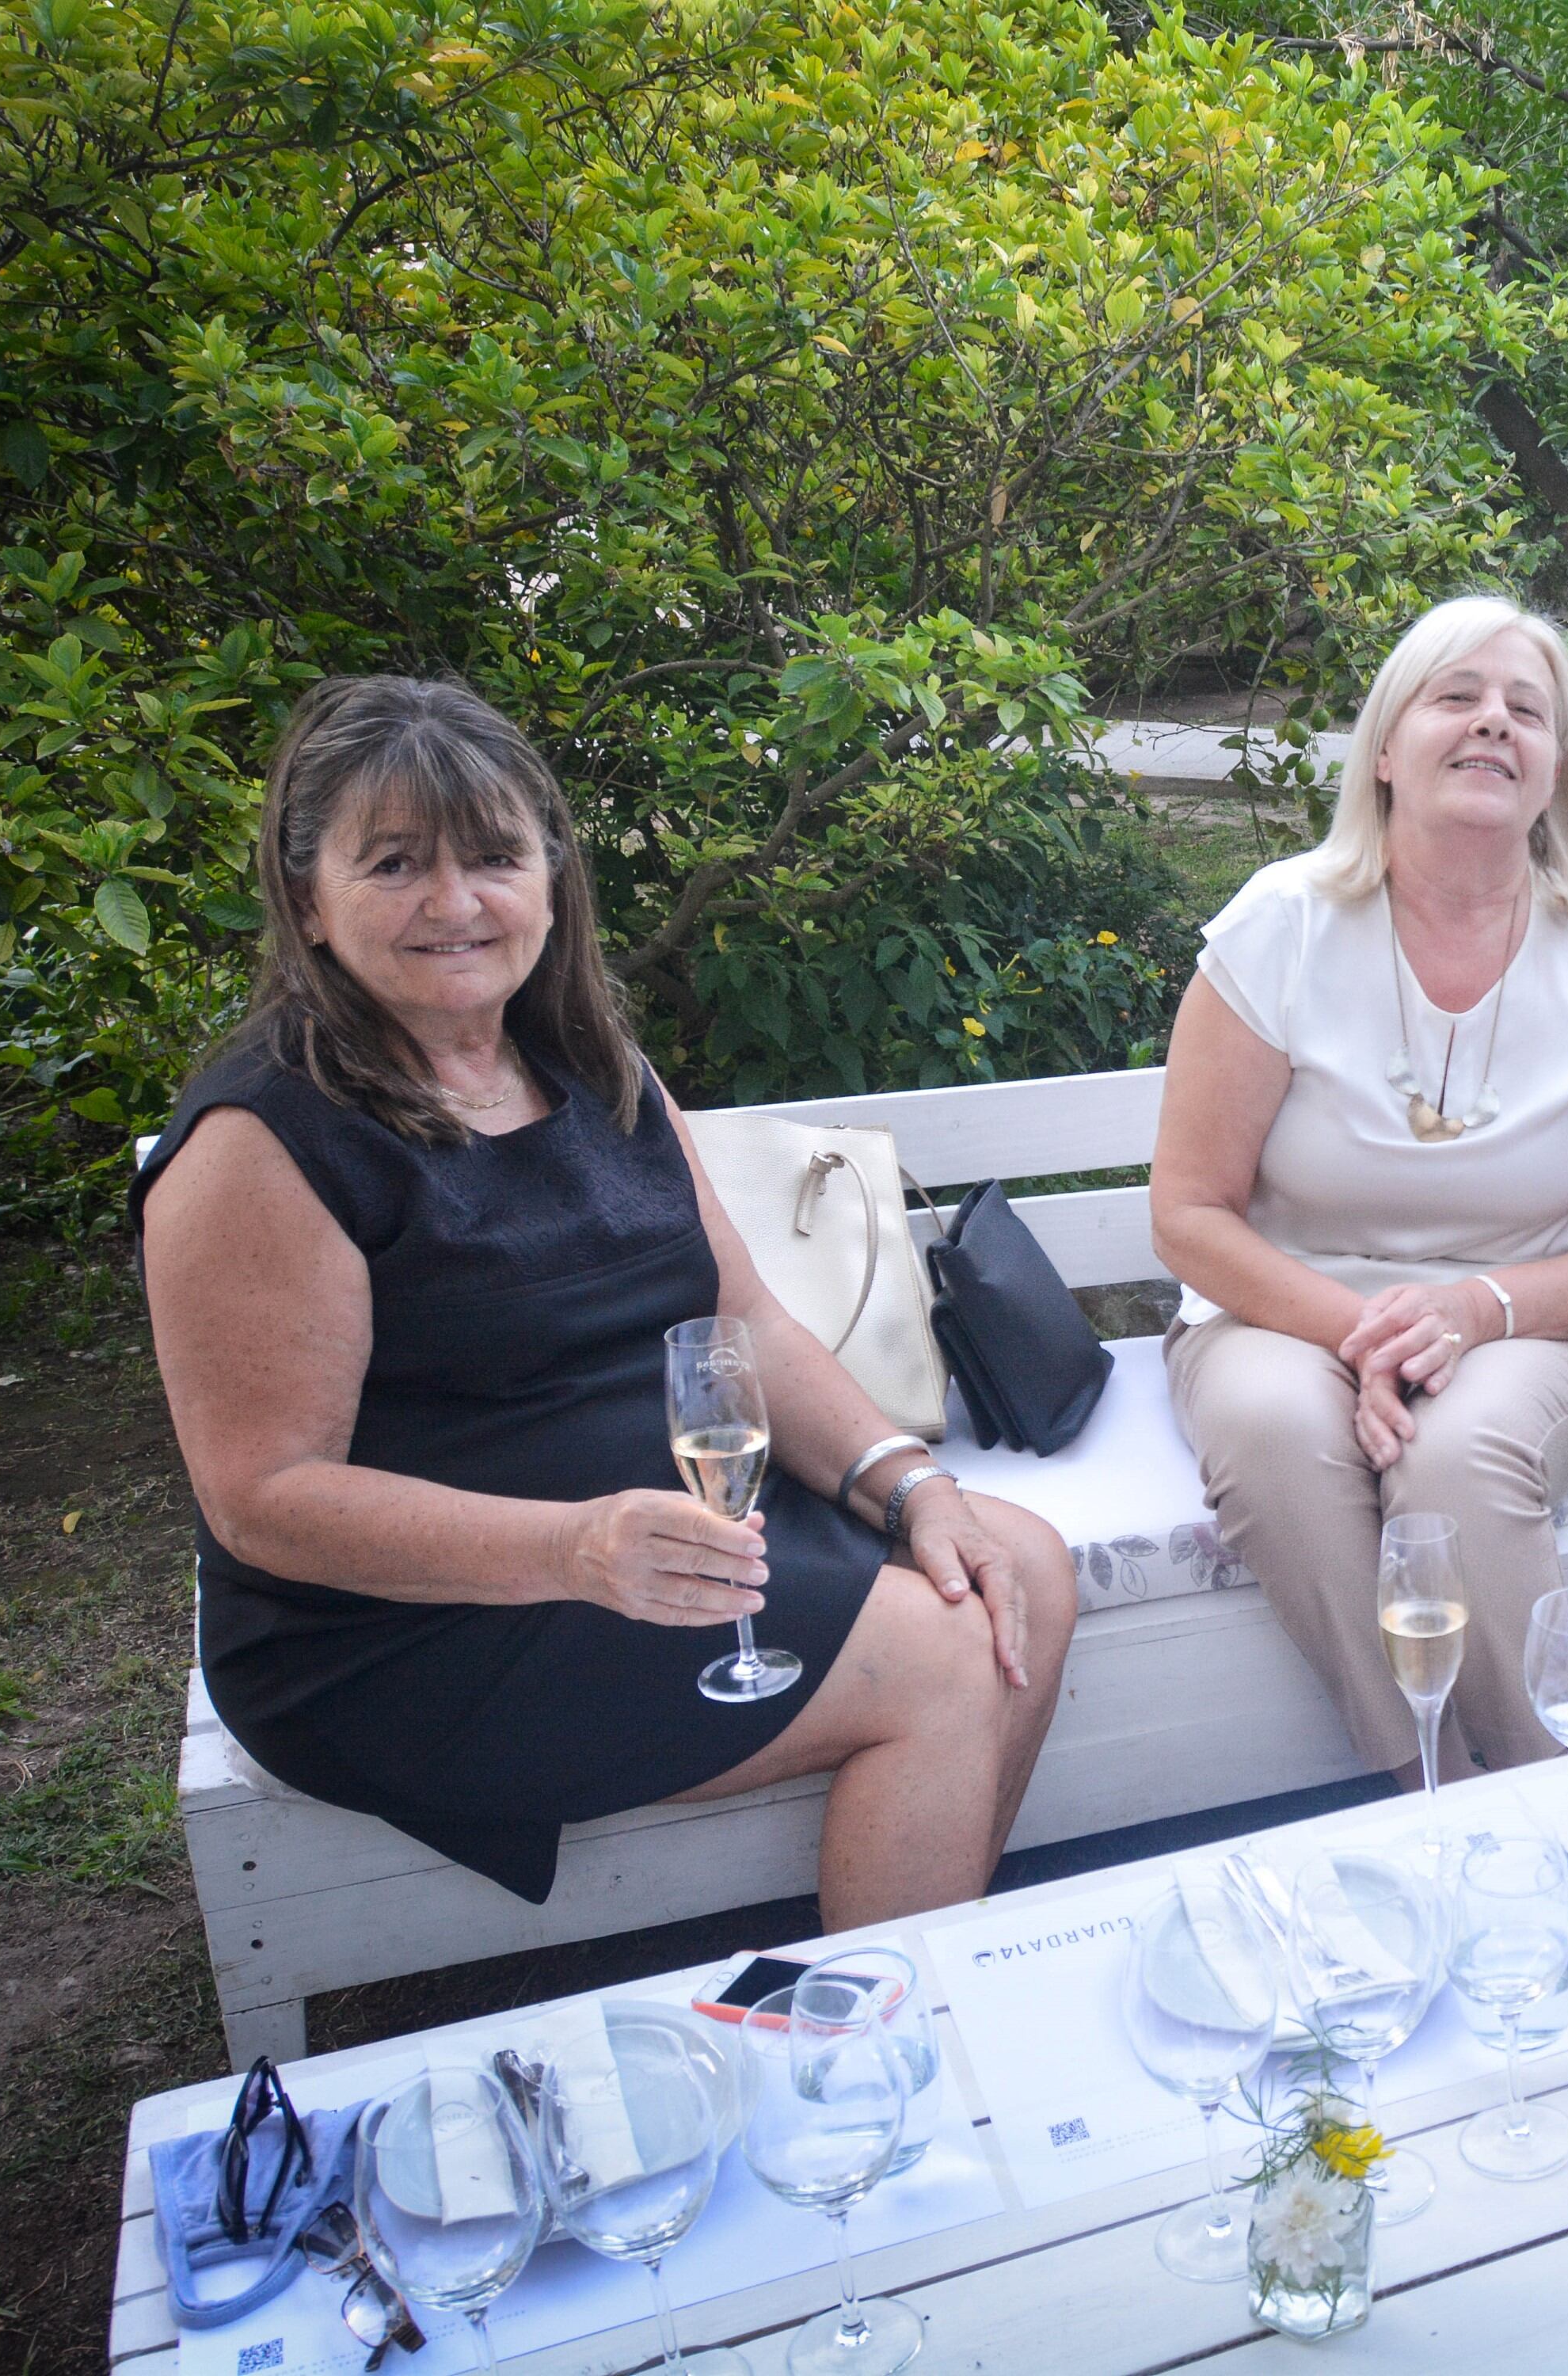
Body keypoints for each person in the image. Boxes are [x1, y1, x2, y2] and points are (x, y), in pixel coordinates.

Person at [137, 676, 1076, 1925]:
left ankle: (924, 1939)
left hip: (668, 1541)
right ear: (309, 900)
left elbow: (746, 1324)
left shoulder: (589, 1064)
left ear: (549, 876)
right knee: (944, 1661)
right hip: (411, 1628)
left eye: (492, 856)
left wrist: (912, 1484)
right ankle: (875, 2049)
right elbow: (266, 1503)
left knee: (1024, 1563)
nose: (456, 902)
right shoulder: (266, 1139)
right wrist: (571, 1552)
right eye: (397, 864)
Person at [1150, 596, 1568, 1784]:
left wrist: (1471, 1312)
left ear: (1557, 771)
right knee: (1277, 1430)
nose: (1494, 723)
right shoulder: (1282, 928)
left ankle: (1556, 1799)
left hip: (1532, 1328)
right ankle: (1435, 1793)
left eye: (1528, 710)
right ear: (1387, 751)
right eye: (1457, 696)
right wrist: (1365, 1336)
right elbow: (1189, 1214)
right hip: (1284, 1315)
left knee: (1456, 1453)